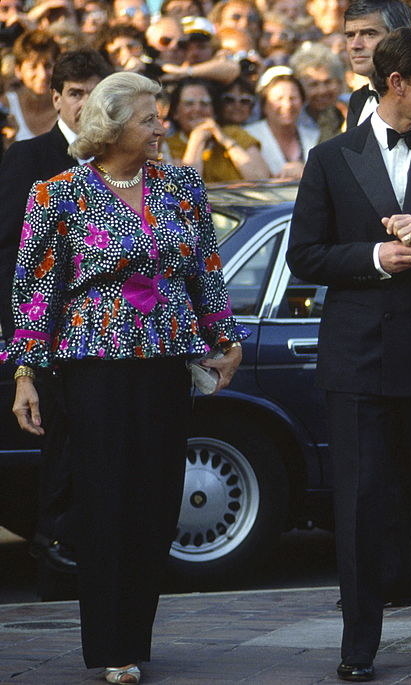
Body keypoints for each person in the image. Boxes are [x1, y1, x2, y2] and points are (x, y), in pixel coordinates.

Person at [3, 71, 248, 684]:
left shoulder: (183, 188)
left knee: (155, 502)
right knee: (106, 501)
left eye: (161, 116)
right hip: (93, 370)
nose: (162, 127)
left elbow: (204, 272)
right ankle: (110, 646)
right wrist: (25, 375)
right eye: (149, 118)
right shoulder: (56, 195)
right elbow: (35, 292)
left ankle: (135, 637)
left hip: (165, 363)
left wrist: (226, 338)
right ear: (111, 128)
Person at [286, 27, 411, 683]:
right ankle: (360, 633)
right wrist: (375, 257)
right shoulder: (331, 158)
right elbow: (305, 256)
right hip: (358, 356)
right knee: (361, 499)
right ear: (397, 82)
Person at [0, 49, 111, 586]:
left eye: (96, 90)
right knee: (58, 455)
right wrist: (22, 346)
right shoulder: (29, 158)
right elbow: (9, 257)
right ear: (57, 98)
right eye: (75, 92)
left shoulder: (126, 163)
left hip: (112, 341)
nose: (86, 102)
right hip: (46, 340)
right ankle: (56, 569)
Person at [165, 77, 271, 181]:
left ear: (214, 111)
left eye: (205, 103)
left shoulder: (235, 133)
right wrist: (197, 141)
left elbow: (262, 179)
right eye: (189, 104)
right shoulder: (168, 146)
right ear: (175, 113)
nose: (197, 109)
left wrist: (225, 140)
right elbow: (188, 189)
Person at [343, 0, 411, 130]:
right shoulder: (358, 100)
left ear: (399, 37)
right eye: (350, 35)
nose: (355, 45)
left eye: (370, 34)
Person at [245, 66, 318, 179]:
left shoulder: (315, 136)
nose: (287, 105)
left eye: (293, 98)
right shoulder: (248, 136)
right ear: (264, 105)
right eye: (279, 99)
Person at [2, 30, 60, 141]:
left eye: (47, 66)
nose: (42, 75)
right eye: (33, 67)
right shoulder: (7, 106)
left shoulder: (67, 108)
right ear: (18, 70)